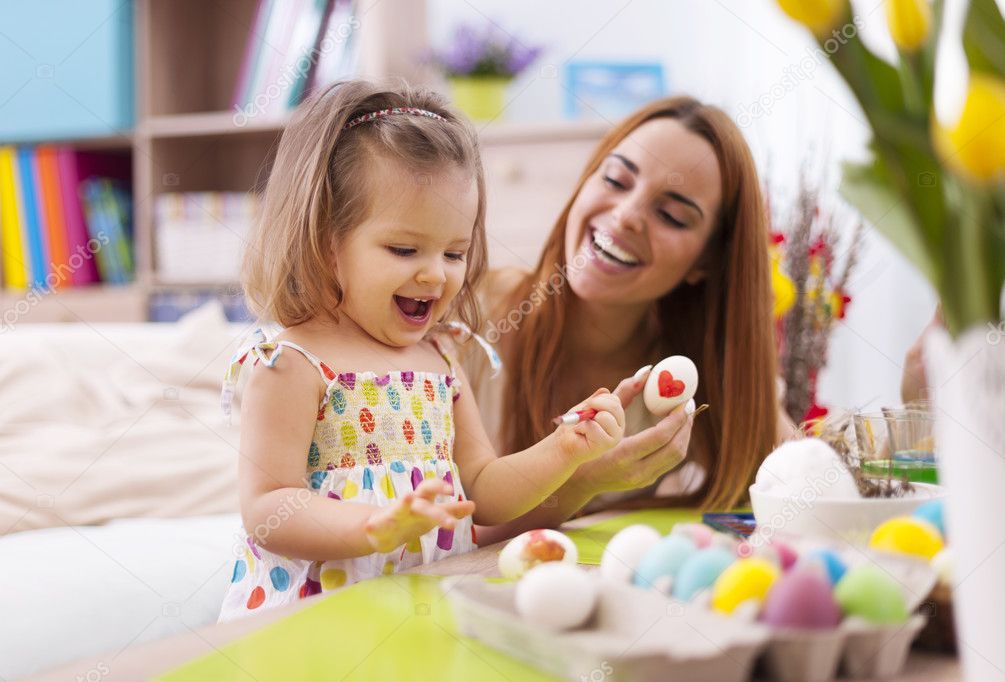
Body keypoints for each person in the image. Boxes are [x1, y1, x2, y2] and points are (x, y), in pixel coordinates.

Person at [216, 80, 624, 621]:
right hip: (318, 619)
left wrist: (566, 449)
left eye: (455, 252)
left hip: (423, 611)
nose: (435, 274)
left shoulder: (441, 360)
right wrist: (371, 526)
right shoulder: (291, 363)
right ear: (324, 239)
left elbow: (484, 489)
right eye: (404, 249)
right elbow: (267, 507)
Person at [460, 96, 798, 544]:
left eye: (671, 215)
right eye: (617, 179)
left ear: (707, 262)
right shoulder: (466, 317)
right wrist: (583, 480)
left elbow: (809, 481)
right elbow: (442, 537)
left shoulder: (682, 378)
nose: (626, 216)